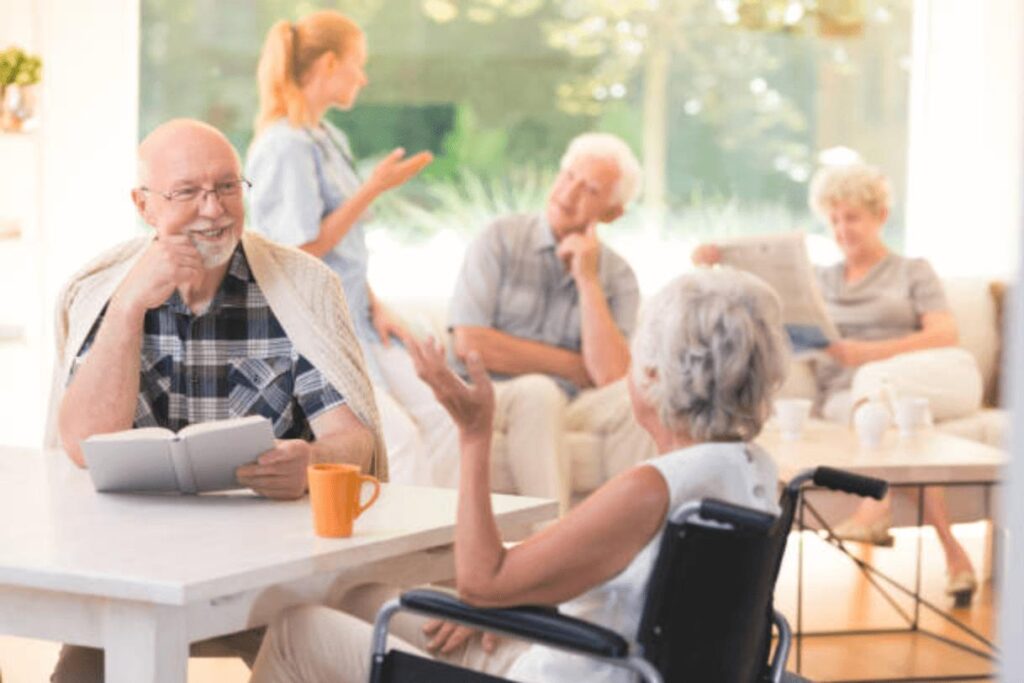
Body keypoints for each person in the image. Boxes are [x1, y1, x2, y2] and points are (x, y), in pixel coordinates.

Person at [247, 267, 789, 682]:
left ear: (651, 376)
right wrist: (498, 604)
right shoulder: (752, 474)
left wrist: (474, 433)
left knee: (297, 629)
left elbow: (483, 581)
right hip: (601, 655)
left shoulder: (652, 487)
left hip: (571, 669)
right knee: (356, 598)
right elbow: (616, 586)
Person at [45, 118, 386, 680]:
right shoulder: (102, 290)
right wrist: (130, 306)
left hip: (272, 575)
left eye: (227, 187)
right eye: (188, 193)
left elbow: (355, 439)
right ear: (144, 204)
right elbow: (83, 445)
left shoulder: (301, 287)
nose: (214, 209)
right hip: (131, 569)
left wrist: (313, 462)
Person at [692, 161, 981, 603]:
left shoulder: (911, 270)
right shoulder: (820, 280)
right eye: (834, 219)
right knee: (900, 426)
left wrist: (866, 354)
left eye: (853, 218)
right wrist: (715, 270)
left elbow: (945, 333)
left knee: (876, 384)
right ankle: (953, 552)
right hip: (851, 398)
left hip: (924, 379)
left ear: (880, 216)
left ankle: (876, 506)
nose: (842, 229)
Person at [245, 10, 450, 486]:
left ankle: (444, 544)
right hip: (319, 328)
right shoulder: (285, 146)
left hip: (358, 315)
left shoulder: (327, 137)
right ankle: (400, 551)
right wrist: (372, 189)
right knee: (397, 441)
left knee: (442, 414)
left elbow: (346, 251)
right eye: (358, 63)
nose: (364, 76)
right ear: (330, 63)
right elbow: (299, 253)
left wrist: (377, 305)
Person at [445, 132, 651, 512]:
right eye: (568, 175)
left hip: (572, 401)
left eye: (588, 188)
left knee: (639, 396)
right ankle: (552, 548)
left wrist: (587, 279)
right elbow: (471, 344)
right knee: (538, 392)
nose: (568, 193)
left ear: (612, 212)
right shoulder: (500, 239)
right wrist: (574, 366)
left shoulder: (618, 276)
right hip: (493, 394)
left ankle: (631, 547)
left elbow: (610, 376)